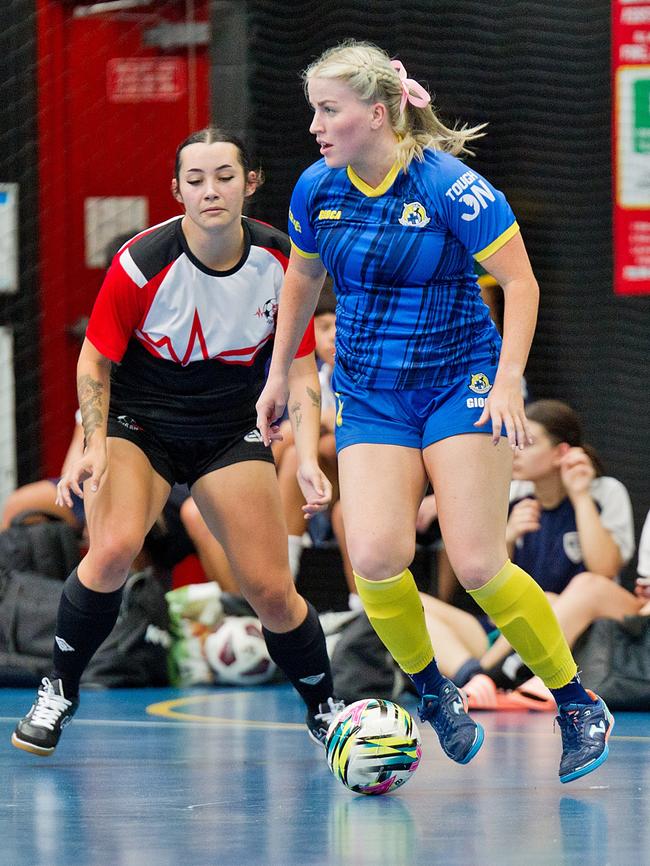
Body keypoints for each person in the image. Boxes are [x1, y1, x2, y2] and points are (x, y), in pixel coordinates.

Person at [256, 40, 613, 783]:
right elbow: (300, 281)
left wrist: (510, 378)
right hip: (371, 389)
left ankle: (577, 702)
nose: (316, 126)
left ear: (378, 113)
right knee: (377, 558)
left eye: (330, 110)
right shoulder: (316, 189)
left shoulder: (451, 186)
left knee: (480, 561)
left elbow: (521, 283)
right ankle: (433, 692)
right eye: (312, 111)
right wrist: (280, 378)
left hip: (462, 379)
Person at [12, 127, 343, 757]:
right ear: (176, 191)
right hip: (141, 423)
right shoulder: (141, 262)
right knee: (110, 551)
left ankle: (324, 709)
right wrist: (95, 444)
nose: (210, 190)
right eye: (195, 179)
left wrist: (302, 455)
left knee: (272, 591)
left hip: (229, 429)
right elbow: (93, 362)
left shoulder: (284, 260)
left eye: (224, 176)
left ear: (251, 184)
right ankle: (58, 689)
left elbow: (300, 369)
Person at [417, 400, 641, 705]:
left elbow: (604, 570)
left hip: (580, 635)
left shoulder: (604, 492)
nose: (516, 448)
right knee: (413, 602)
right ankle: (473, 677)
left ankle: (491, 674)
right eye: (514, 438)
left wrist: (580, 497)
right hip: (507, 634)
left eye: (528, 441)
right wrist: (507, 537)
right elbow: (482, 580)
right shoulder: (512, 494)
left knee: (551, 598)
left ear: (561, 452)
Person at [277, 278, 339, 578]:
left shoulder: (368, 368)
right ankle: (282, 558)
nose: (333, 337)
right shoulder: (319, 377)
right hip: (322, 485)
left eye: (340, 326)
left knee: (298, 445)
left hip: (367, 472)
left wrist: (326, 420)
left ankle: (282, 563)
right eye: (324, 328)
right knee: (292, 451)